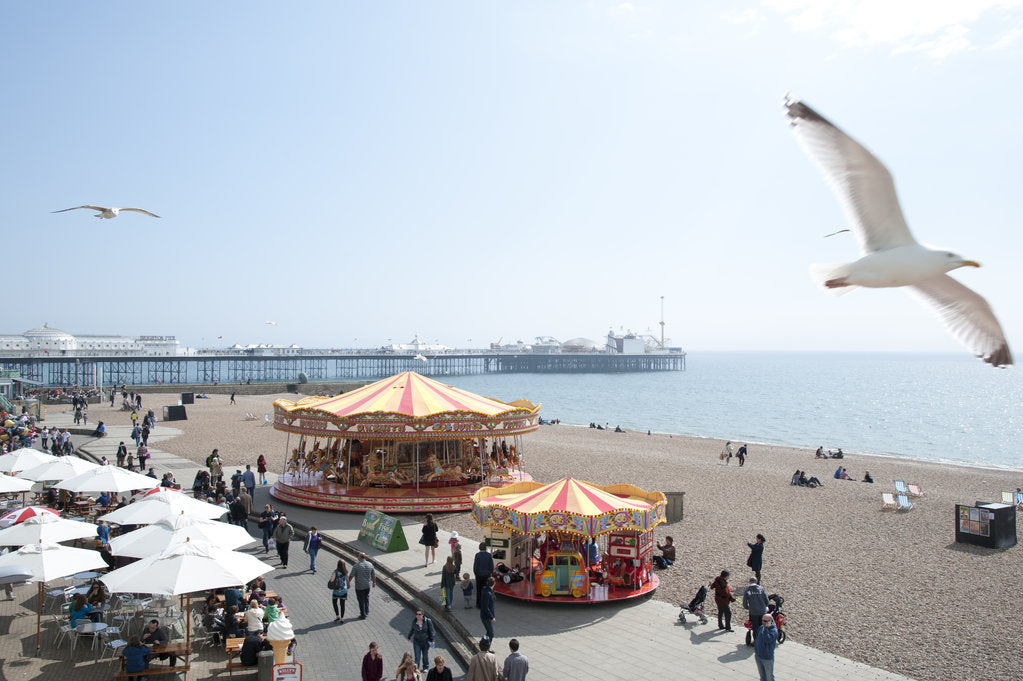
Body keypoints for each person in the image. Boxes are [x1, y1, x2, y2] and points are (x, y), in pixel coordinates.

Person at [349, 552, 377, 619]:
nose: (357, 557)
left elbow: (351, 576)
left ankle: (363, 614)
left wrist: (347, 583)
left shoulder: (356, 566)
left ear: (360, 557)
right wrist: (374, 582)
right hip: (367, 585)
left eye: (358, 556)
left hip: (359, 587)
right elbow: (373, 574)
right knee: (366, 598)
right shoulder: (370, 564)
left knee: (361, 600)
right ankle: (366, 611)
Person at [407, 608, 435, 672]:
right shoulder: (414, 622)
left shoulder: (428, 621)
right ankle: (417, 669)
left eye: (419, 614)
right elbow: (412, 630)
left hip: (425, 642)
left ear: (422, 615)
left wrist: (432, 640)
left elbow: (432, 631)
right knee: (417, 657)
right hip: (417, 642)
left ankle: (426, 667)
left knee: (425, 655)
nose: (418, 616)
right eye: (416, 614)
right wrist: (409, 637)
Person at [743, 577, 770, 643]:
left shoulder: (747, 590)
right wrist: (765, 606)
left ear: (749, 582)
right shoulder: (761, 589)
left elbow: (744, 602)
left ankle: (756, 641)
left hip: (753, 612)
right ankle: (763, 639)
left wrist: (747, 607)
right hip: (762, 611)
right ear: (756, 581)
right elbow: (766, 600)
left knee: (755, 627)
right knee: (763, 626)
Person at [754, 613, 779, 681]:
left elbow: (767, 639)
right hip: (758, 656)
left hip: (767, 658)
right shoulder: (761, 627)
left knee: (769, 677)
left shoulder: (773, 631)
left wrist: (766, 629)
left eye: (766, 621)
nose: (763, 623)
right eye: (763, 620)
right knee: (762, 677)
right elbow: (757, 638)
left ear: (771, 621)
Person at [472, 542, 494, 608]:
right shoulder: (489, 555)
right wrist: (490, 572)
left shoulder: (477, 555)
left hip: (479, 575)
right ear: (485, 548)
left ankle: (478, 604)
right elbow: (491, 566)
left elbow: (475, 566)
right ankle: (485, 604)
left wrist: (476, 573)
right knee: (486, 590)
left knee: (479, 590)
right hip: (486, 575)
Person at [480, 577, 496, 641]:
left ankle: (484, 645)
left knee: (488, 632)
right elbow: (486, 607)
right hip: (486, 617)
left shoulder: (486, 589)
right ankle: (486, 646)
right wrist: (492, 617)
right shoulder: (488, 593)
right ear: (494, 584)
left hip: (485, 615)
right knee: (491, 633)